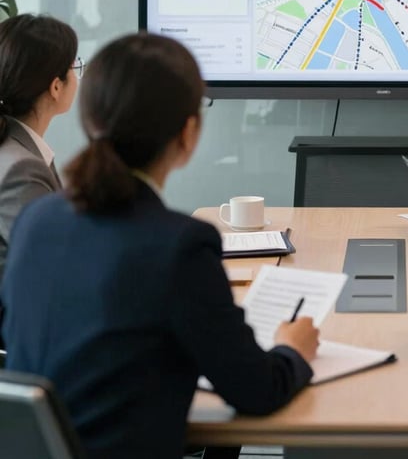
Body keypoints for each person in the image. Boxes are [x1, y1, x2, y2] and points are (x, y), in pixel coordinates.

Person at [1, 32, 319, 459]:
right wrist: (293, 350)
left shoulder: (36, 221)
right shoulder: (180, 245)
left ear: (91, 121)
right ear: (188, 134)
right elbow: (258, 391)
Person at [0, 13, 79, 284]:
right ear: (56, 87)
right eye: (74, 67)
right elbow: (54, 269)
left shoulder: (16, 149)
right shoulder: (20, 169)